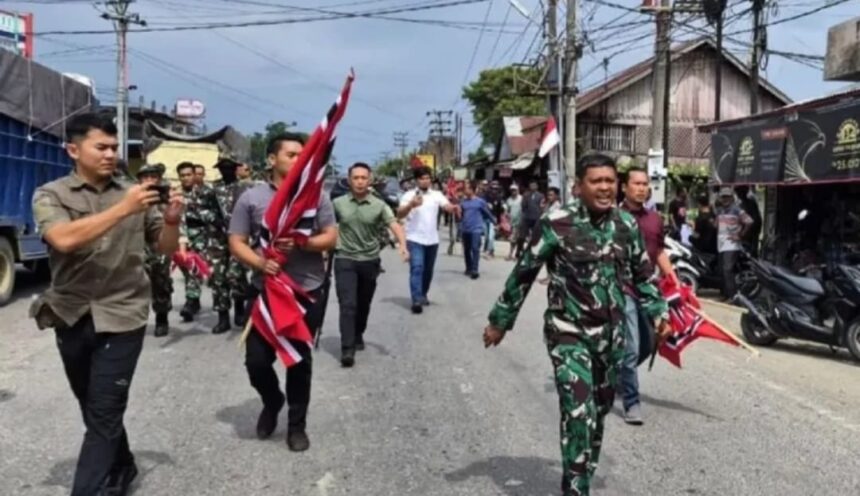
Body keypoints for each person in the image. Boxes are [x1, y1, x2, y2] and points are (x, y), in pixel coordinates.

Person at [483, 153, 669, 496]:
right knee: (578, 411)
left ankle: (580, 473)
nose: (604, 188)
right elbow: (524, 272)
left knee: (597, 415)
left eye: (610, 181)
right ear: (579, 187)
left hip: (610, 338)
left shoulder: (626, 225)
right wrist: (500, 321)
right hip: (568, 333)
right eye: (596, 181)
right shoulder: (557, 223)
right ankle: (575, 489)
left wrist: (659, 314)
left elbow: (643, 276)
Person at [30, 113, 183, 495]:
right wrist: (123, 209)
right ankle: (124, 465)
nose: (111, 154)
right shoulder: (51, 194)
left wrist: (172, 222)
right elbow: (63, 239)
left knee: (104, 409)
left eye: (115, 147)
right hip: (71, 312)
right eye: (101, 147)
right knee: (91, 404)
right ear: (73, 149)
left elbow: (163, 248)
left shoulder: (133, 192)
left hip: (123, 313)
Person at [229, 132, 337, 452]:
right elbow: (236, 241)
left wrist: (305, 242)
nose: (298, 159)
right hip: (265, 292)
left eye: (302, 155)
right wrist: (260, 263)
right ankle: (272, 400)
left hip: (306, 290)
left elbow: (331, 237)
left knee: (299, 363)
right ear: (272, 159)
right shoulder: (251, 198)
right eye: (291, 154)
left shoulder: (316, 197)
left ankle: (296, 426)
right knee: (257, 362)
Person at [333, 162, 408, 367]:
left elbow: (394, 225)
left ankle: (358, 333)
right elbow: (326, 227)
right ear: (349, 181)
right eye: (355, 178)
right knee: (347, 304)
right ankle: (347, 348)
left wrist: (403, 245)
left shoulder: (379, 205)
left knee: (363, 304)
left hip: (369, 261)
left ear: (370, 180)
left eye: (363, 178)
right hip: (344, 258)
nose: (359, 181)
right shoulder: (338, 203)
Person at [618, 167, 678, 425]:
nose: (642, 188)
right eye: (636, 183)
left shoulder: (655, 219)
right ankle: (632, 402)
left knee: (647, 343)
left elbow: (659, 251)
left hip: (648, 289)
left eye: (645, 184)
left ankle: (617, 376)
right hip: (622, 288)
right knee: (631, 347)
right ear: (624, 187)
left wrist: (673, 278)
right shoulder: (614, 217)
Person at [397, 167, 459, 314]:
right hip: (414, 238)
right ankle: (416, 300)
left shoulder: (436, 195)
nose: (425, 180)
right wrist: (411, 205)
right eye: (422, 178)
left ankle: (423, 293)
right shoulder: (409, 195)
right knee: (417, 268)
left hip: (432, 239)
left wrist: (453, 207)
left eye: (427, 178)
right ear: (416, 180)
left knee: (428, 271)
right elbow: (399, 214)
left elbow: (446, 206)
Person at [208, 156, 249, 333]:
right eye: (222, 168)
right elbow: (200, 208)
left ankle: (240, 308)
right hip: (217, 239)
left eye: (228, 168)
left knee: (235, 274)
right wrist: (214, 219)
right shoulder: (213, 188)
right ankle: (222, 317)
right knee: (218, 278)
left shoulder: (244, 188)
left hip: (238, 237)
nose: (225, 171)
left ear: (235, 169)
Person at [176, 162, 216, 322]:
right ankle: (194, 299)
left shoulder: (206, 193)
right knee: (186, 269)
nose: (186, 178)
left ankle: (191, 301)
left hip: (201, 235)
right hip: (180, 236)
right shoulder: (175, 194)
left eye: (188, 174)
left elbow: (216, 215)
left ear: (195, 175)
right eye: (182, 175)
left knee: (194, 268)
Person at [137, 163, 174, 337]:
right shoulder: (133, 197)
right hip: (138, 248)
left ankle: (162, 318)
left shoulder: (167, 197)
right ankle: (136, 321)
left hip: (160, 249)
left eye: (154, 177)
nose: (150, 180)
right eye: (146, 177)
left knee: (160, 282)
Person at [715, 187, 753, 299]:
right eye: (723, 197)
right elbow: (717, 225)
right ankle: (726, 294)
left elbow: (750, 222)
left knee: (727, 270)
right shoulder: (720, 210)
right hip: (721, 244)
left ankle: (733, 296)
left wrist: (740, 235)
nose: (725, 199)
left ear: (732, 198)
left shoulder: (737, 210)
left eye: (727, 197)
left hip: (731, 244)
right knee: (722, 270)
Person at [459, 180, 495, 279]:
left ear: (472, 189)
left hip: (476, 229)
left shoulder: (480, 202)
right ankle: (468, 268)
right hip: (466, 229)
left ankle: (475, 269)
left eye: (466, 188)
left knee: (475, 248)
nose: (464, 190)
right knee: (466, 250)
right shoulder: (463, 202)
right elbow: (460, 216)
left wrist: (495, 222)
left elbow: (487, 213)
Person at [517, 180, 545, 255]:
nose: (533, 187)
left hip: (536, 218)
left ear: (537, 186)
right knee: (522, 236)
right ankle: (519, 249)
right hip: (527, 217)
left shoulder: (541, 196)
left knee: (534, 236)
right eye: (531, 185)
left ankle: (529, 251)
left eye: (534, 185)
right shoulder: (526, 195)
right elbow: (523, 206)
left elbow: (542, 206)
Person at [735, 185, 762, 257]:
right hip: (746, 231)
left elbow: (755, 219)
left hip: (751, 231)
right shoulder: (741, 204)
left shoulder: (750, 202)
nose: (738, 195)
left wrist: (745, 231)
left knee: (751, 251)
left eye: (739, 193)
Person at [483, 182, 505, 258]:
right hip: (485, 218)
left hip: (494, 218)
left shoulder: (499, 199)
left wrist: (498, 223)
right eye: (492, 188)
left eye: (496, 189)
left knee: (491, 236)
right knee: (486, 236)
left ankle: (488, 252)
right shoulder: (485, 197)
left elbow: (499, 211)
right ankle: (491, 250)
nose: (494, 190)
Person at [505, 184, 523, 260]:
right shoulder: (509, 200)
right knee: (513, 239)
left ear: (518, 190)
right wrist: (507, 215)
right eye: (512, 190)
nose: (513, 192)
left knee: (518, 239)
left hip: (521, 222)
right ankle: (512, 253)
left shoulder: (521, 199)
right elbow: (507, 210)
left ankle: (516, 254)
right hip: (512, 223)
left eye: (515, 190)